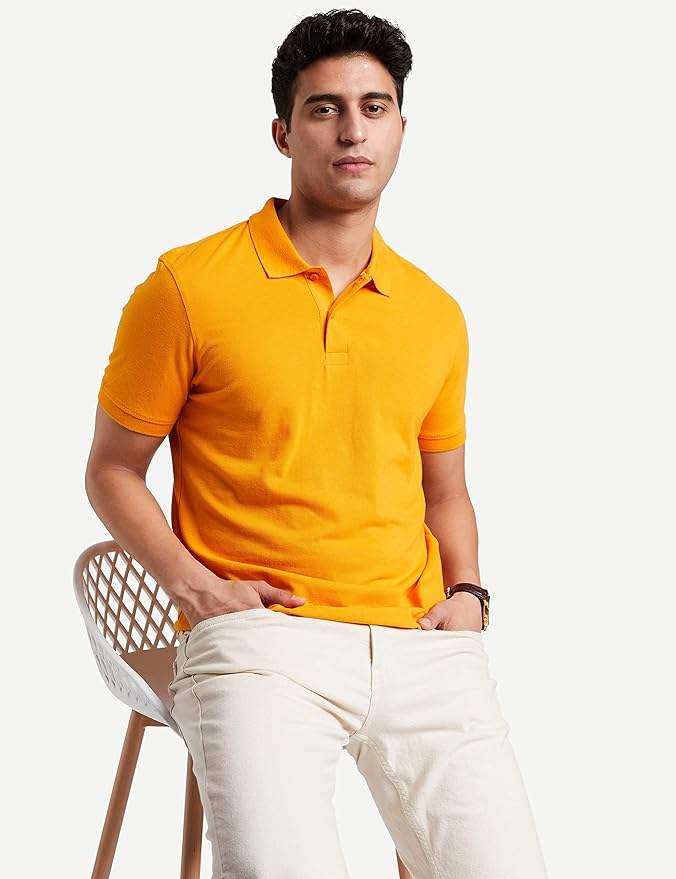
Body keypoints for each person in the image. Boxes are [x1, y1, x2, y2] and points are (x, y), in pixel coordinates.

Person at [85, 9, 548, 879]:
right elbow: (112, 470)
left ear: (401, 128)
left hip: (420, 640)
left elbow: (445, 488)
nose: (352, 130)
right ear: (283, 133)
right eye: (325, 108)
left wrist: (469, 593)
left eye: (375, 107)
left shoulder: (434, 313)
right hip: (262, 639)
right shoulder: (188, 286)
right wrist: (198, 587)